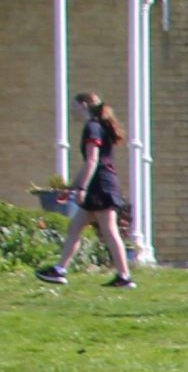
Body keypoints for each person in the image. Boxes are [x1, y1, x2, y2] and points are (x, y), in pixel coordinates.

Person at [35, 92, 133, 289]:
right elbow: (89, 164)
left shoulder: (92, 127)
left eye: (74, 107)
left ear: (84, 105)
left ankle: (124, 276)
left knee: (109, 230)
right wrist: (72, 187)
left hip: (100, 186)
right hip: (99, 184)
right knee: (75, 228)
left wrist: (81, 188)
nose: (72, 111)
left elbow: (92, 161)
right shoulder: (99, 126)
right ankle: (59, 270)